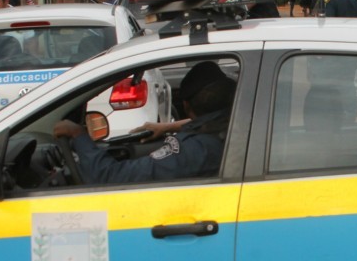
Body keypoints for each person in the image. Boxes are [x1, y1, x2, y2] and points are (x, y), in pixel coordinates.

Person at [53, 61, 236, 183]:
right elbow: (211, 121)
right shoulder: (239, 124)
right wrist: (169, 126)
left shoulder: (195, 151)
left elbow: (109, 176)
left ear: (186, 106)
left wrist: (79, 135)